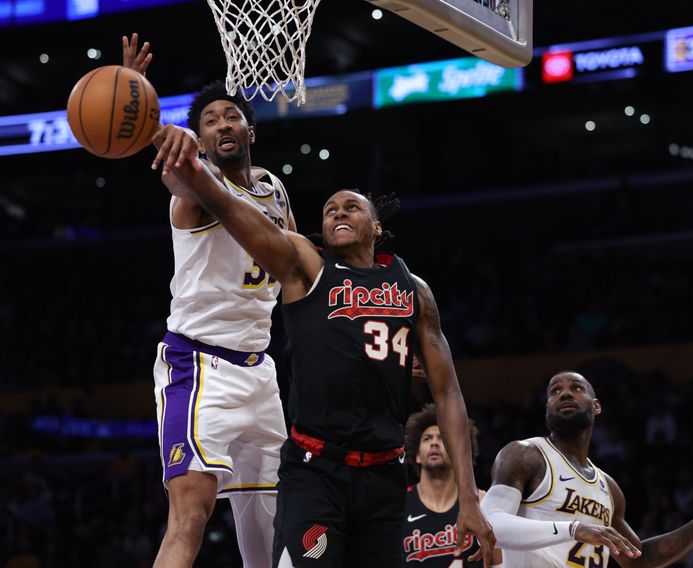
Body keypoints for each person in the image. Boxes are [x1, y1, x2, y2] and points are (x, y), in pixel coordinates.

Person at [149, 125, 497, 567]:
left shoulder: (414, 290)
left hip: (384, 472)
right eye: (330, 209)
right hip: (317, 469)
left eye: (351, 206)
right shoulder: (304, 266)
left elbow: (447, 393)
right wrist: (175, 144)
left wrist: (468, 498)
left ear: (376, 226)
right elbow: (224, 204)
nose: (338, 212)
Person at [122, 34, 295, 568]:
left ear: (250, 128)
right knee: (191, 516)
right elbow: (180, 172)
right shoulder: (195, 190)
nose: (223, 124)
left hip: (261, 373)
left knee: (273, 521)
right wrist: (146, 115)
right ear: (198, 138)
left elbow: (291, 264)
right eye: (211, 121)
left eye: (231, 116)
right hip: (200, 368)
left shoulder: (272, 189)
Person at [481, 371, 693, 567]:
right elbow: (492, 525)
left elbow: (639, 559)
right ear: (547, 410)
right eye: (555, 391)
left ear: (597, 406)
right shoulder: (525, 455)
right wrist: (574, 529)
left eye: (575, 388)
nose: (564, 393)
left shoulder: (608, 488)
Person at [403, 404, 503, 566]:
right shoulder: (399, 505)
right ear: (417, 455)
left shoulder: (483, 502)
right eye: (427, 438)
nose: (434, 443)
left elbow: (499, 564)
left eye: (442, 438)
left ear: (457, 453)